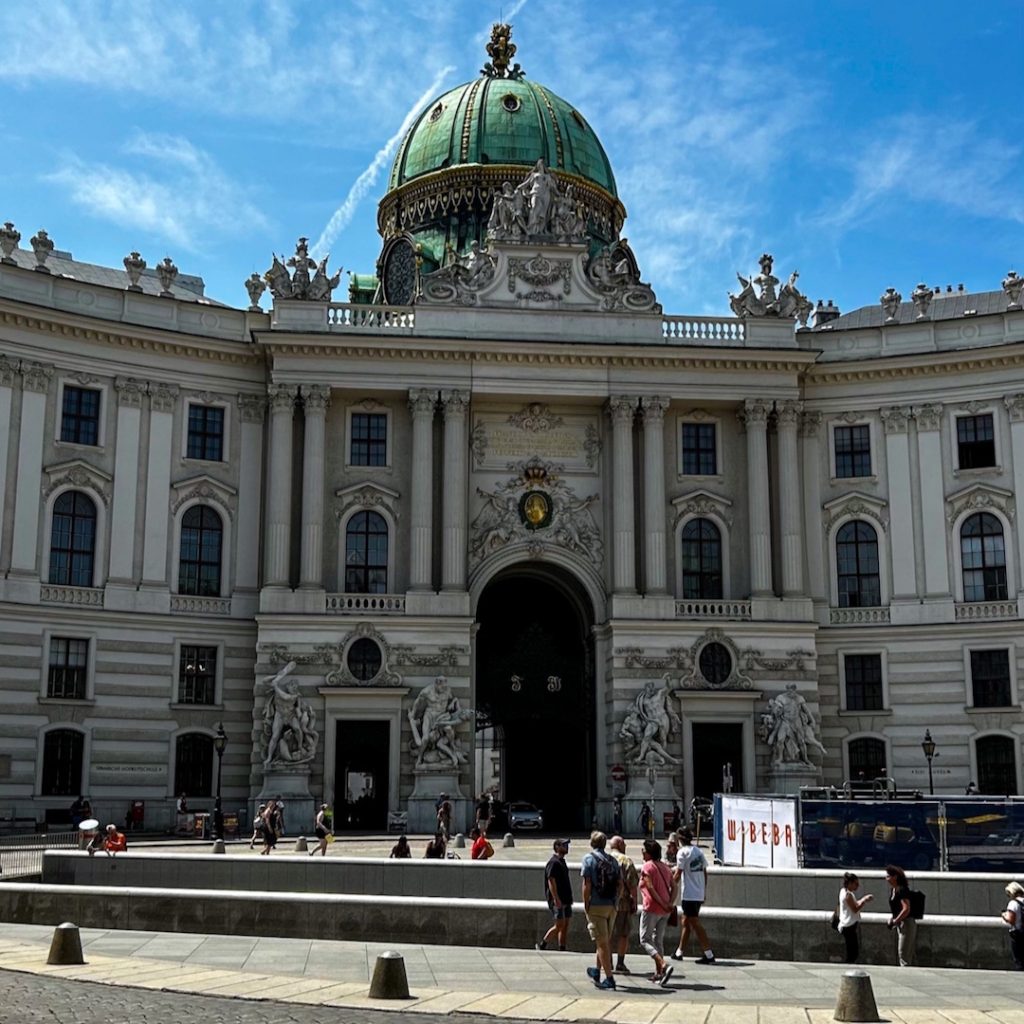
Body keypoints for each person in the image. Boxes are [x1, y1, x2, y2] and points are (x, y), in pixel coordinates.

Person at [581, 830, 620, 990]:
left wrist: (586, 904)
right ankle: (597, 971)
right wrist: (616, 902)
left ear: (592, 843)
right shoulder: (613, 860)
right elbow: (620, 884)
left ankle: (609, 979)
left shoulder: (588, 859)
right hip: (611, 905)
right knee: (604, 940)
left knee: (602, 943)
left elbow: (587, 884)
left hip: (596, 905)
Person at [672, 827, 715, 964]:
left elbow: (678, 874)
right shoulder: (698, 852)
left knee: (694, 923)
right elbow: (704, 872)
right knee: (686, 922)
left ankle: (709, 954)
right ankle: (679, 952)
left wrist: (669, 887)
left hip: (689, 894)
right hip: (698, 893)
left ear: (680, 839)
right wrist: (703, 891)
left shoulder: (682, 853)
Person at [638, 838, 675, 987]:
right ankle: (659, 973)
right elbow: (675, 886)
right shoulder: (665, 867)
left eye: (644, 850)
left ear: (648, 853)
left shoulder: (647, 866)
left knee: (645, 939)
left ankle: (663, 964)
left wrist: (660, 902)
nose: (642, 852)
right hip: (664, 910)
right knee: (658, 939)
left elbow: (650, 888)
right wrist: (669, 904)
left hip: (652, 907)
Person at [608, 835, 639, 974]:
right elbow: (632, 884)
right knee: (623, 933)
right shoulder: (625, 860)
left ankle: (606, 962)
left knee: (606, 934)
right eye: (624, 844)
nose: (626, 846)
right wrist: (635, 902)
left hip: (604, 903)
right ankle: (620, 963)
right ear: (620, 845)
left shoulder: (603, 859)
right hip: (622, 904)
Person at [536, 838, 573, 951]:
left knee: (565, 925)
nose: (567, 847)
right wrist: (556, 899)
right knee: (559, 925)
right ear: (557, 847)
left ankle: (562, 947)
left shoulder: (562, 861)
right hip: (558, 899)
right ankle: (543, 944)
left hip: (566, 898)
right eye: (564, 845)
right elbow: (551, 881)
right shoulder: (553, 862)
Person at [837, 871, 873, 964]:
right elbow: (855, 908)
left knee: (852, 950)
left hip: (847, 924)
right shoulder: (848, 895)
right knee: (853, 952)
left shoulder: (843, 891)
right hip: (849, 925)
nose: (857, 886)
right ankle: (848, 968)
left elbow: (854, 904)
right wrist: (864, 900)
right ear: (850, 883)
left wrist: (862, 900)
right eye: (855, 884)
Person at [885, 864, 915, 966]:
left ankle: (907, 976)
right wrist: (893, 918)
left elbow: (906, 909)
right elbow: (896, 909)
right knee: (903, 953)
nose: (886, 879)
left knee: (903, 954)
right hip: (900, 923)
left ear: (895, 877)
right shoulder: (893, 890)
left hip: (906, 923)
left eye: (888, 876)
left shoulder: (902, 890)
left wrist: (895, 920)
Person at [1002, 881, 1024, 970]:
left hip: (1018, 934)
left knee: (1019, 960)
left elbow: (1011, 920)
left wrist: (1004, 916)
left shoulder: (1013, 903)